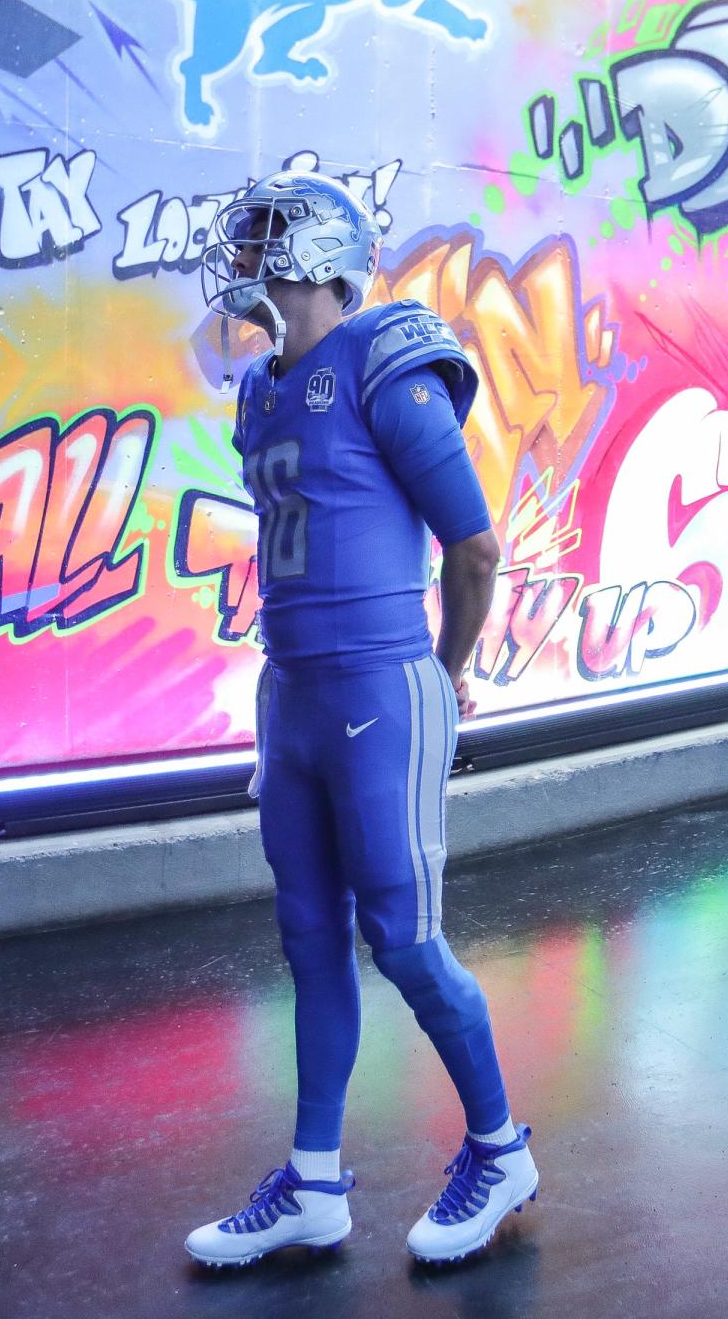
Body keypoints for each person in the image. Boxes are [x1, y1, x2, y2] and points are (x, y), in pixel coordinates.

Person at [186, 171, 538, 1269]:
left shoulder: (387, 358)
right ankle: (314, 1182)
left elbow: (474, 548)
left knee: (405, 940)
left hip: (380, 691)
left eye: (268, 233)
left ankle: (500, 1148)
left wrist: (443, 672)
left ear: (325, 252)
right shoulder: (262, 385)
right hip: (289, 694)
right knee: (309, 942)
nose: (247, 251)